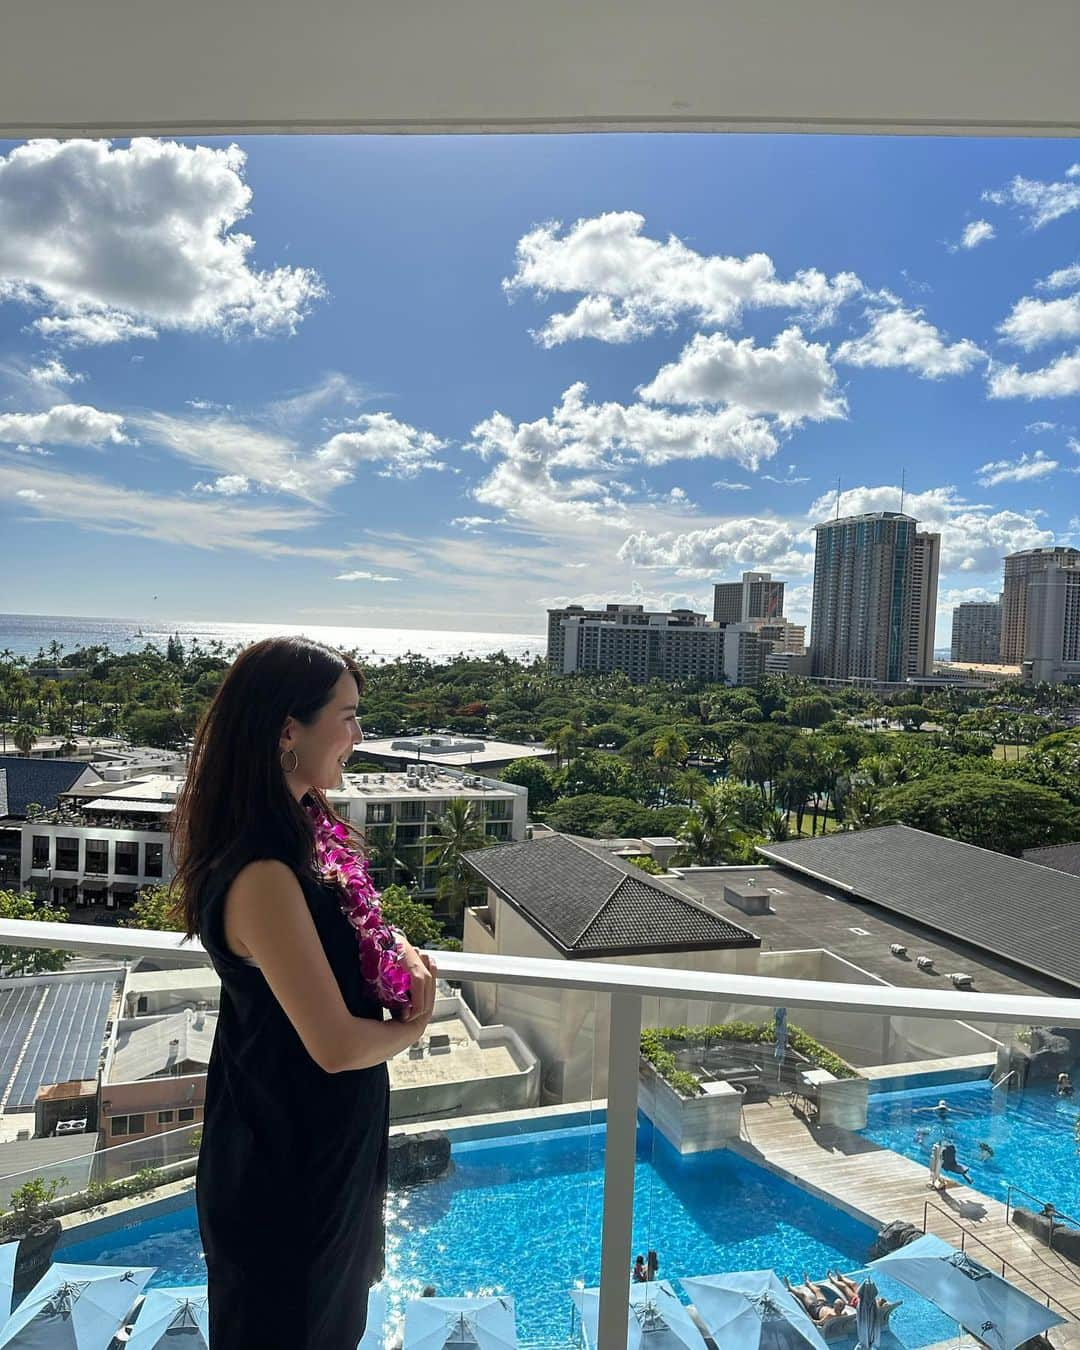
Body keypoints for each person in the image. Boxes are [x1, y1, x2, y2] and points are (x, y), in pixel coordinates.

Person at [172, 638, 437, 1350]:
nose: (358, 735)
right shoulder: (262, 872)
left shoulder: (301, 833)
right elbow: (336, 1043)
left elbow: (343, 929)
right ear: (289, 728)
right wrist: (419, 1023)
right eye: (347, 717)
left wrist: (400, 951)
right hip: (283, 1172)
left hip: (322, 1152)